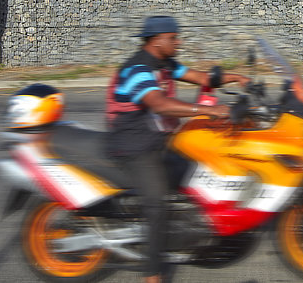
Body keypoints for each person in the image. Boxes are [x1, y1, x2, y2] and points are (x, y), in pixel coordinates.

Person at [105, 15, 249, 283]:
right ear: (157, 41)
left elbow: (202, 78)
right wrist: (210, 110)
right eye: (173, 38)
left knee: (201, 173)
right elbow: (159, 104)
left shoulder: (165, 64)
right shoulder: (137, 69)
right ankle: (152, 274)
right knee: (157, 205)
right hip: (135, 147)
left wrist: (237, 78)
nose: (179, 42)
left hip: (158, 140)